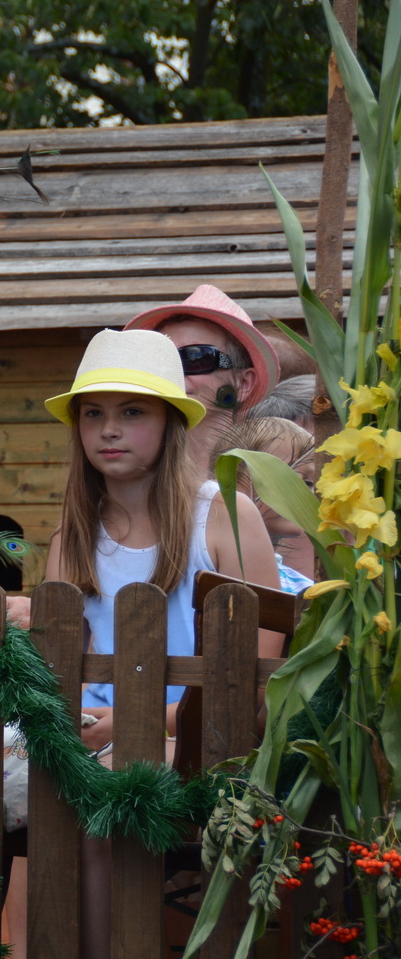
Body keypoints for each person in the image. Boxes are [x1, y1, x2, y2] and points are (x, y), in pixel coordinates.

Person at [44, 328, 283, 746]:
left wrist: (136, 720)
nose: (109, 430)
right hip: (93, 739)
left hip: (207, 749)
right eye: (93, 413)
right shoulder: (72, 536)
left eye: (133, 412)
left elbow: (255, 683)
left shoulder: (225, 515)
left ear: (170, 422)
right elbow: (56, 671)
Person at [124, 284, 280, 479]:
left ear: (243, 384)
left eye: (196, 358)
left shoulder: (270, 480)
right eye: (160, 358)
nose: (173, 372)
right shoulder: (124, 481)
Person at [215, 416, 320, 594]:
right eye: (285, 475)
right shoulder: (197, 563)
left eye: (309, 483)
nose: (303, 492)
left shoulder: (307, 593)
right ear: (232, 476)